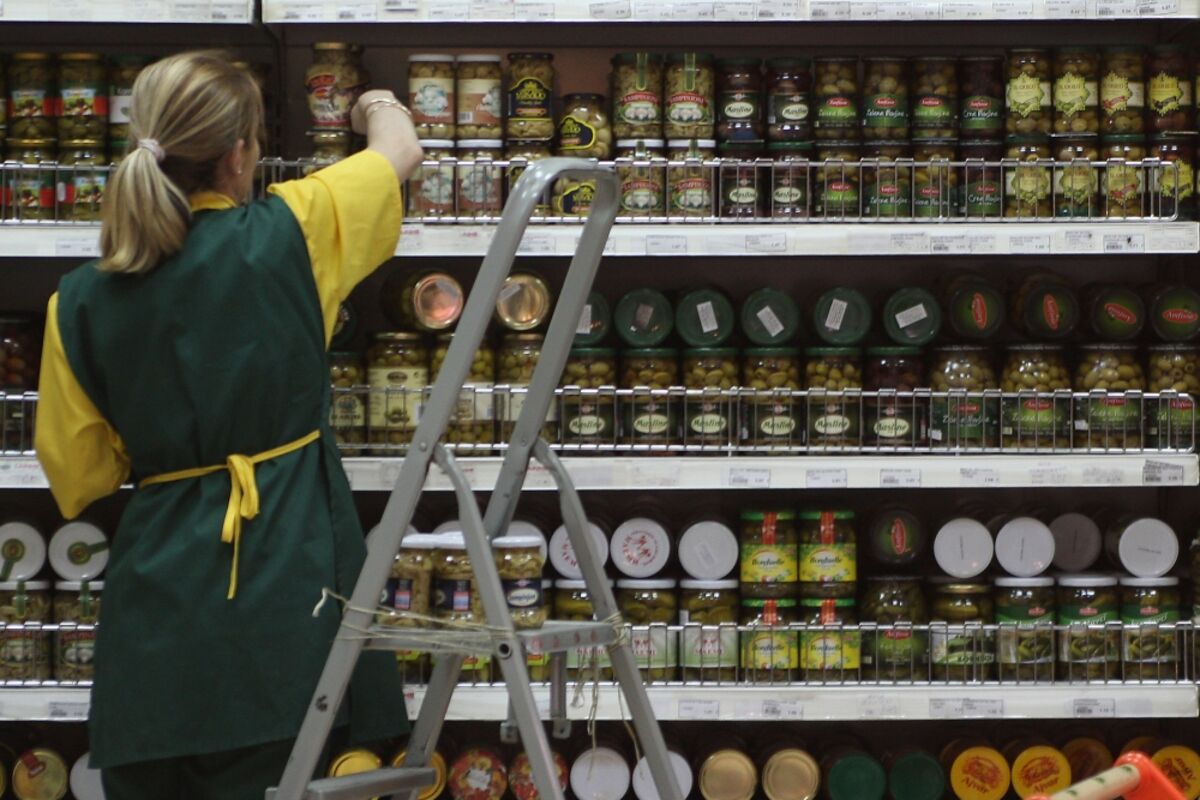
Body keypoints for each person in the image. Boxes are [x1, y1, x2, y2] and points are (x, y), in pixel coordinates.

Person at [34, 51, 424, 799]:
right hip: (286, 583)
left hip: (156, 615)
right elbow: (398, 150)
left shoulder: (75, 302)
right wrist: (373, 102)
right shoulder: (293, 230)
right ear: (241, 154)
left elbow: (82, 478)